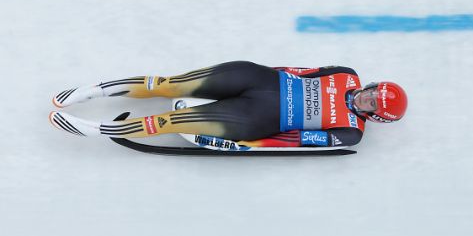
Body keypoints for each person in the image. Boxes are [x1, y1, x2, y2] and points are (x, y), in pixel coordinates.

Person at [49, 61, 407, 148]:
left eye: (372, 102)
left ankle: (96, 129)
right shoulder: (347, 74)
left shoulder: (351, 132)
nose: (366, 97)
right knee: (168, 83)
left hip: (257, 116)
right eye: (372, 91)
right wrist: (261, 72)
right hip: (261, 80)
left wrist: (252, 143)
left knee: (168, 122)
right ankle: (92, 91)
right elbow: (300, 68)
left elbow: (297, 140)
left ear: (375, 116)